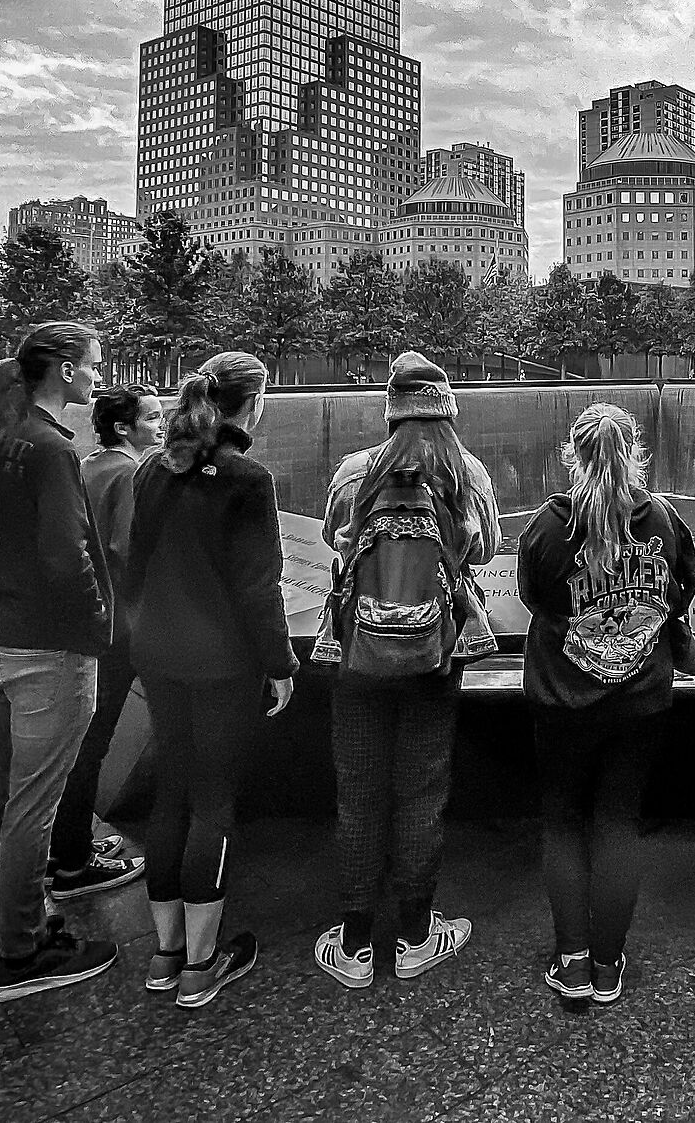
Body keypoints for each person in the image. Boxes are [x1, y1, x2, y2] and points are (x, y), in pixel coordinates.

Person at [312, 351, 501, 990]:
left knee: (358, 786)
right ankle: (419, 934)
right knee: (422, 786)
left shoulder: (355, 474)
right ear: (446, 410)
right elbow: (484, 550)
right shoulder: (464, 474)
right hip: (433, 652)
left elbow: (334, 538)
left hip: (360, 653)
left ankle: (356, 941)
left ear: (390, 411)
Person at [124, 352, 296, 1008]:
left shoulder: (153, 471)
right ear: (251, 405)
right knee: (213, 799)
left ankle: (165, 954)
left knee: (172, 791)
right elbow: (259, 588)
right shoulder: (247, 479)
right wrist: (279, 665)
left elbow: (132, 568)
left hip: (159, 656)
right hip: (223, 663)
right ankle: (202, 963)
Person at [516, 403, 695, 1009]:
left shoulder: (548, 528)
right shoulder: (664, 521)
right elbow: (682, 590)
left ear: (573, 456)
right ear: (635, 453)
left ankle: (570, 961)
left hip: (562, 700)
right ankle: (607, 963)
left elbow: (534, 597)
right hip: (638, 700)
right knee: (619, 821)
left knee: (564, 821)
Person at [0, 322, 116, 1002]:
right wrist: (97, 623)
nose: (98, 377)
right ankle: (23, 954)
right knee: (31, 809)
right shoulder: (51, 448)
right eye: (92, 365)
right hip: (45, 649)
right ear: (63, 370)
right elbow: (65, 553)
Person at [43, 388, 164, 902]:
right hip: (117, 626)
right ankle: (73, 860)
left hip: (83, 624)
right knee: (93, 742)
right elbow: (128, 548)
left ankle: (63, 846)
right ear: (123, 428)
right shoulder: (128, 474)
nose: (161, 426)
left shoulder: (89, 466)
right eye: (152, 418)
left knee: (80, 737)